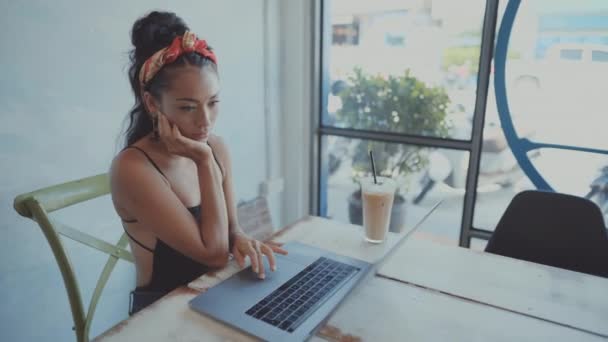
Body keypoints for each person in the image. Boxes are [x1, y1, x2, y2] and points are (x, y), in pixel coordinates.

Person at [109, 11, 287, 315]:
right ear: (152, 103)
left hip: (217, 297)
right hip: (163, 315)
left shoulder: (217, 147)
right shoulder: (133, 169)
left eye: (213, 102)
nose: (205, 121)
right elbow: (214, 255)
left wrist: (241, 238)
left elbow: (230, 231)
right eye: (188, 107)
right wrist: (203, 159)